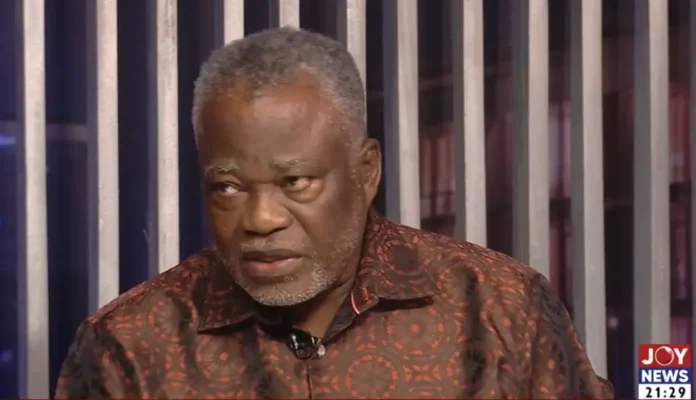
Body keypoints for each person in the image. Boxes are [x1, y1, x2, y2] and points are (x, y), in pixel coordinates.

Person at [55, 27, 613, 399]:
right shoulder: (130, 346)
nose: (261, 219)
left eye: (294, 182)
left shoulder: (501, 309)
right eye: (227, 187)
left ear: (366, 171)